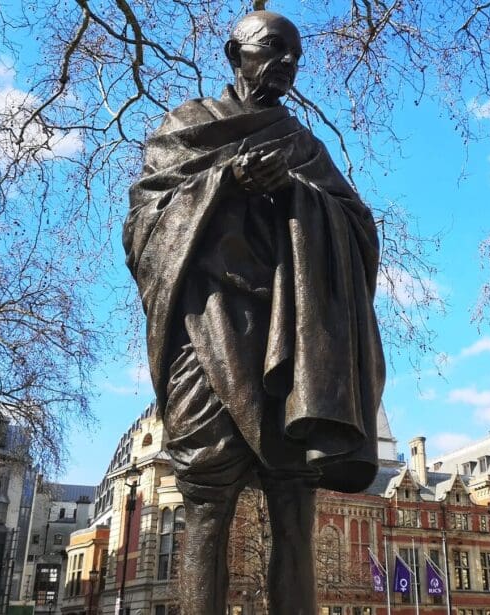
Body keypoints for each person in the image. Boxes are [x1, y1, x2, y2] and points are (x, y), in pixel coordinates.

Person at [123, 10, 385, 615]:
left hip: (290, 341)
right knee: (206, 498)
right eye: (273, 49)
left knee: (294, 502)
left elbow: (359, 228)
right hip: (207, 331)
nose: (287, 63)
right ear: (232, 52)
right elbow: (141, 230)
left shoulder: (302, 144)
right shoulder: (185, 127)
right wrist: (225, 182)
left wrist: (298, 192)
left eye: (295, 55)